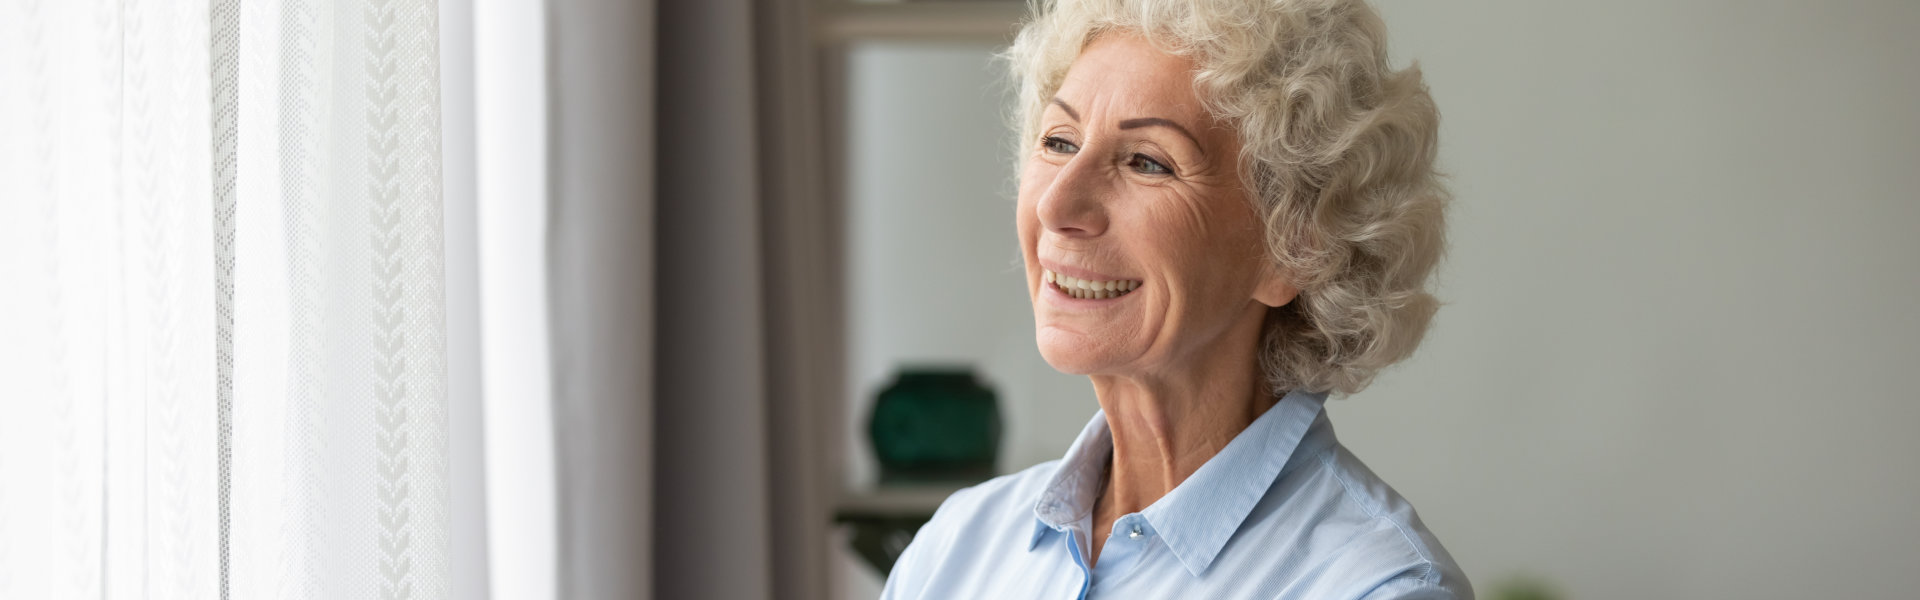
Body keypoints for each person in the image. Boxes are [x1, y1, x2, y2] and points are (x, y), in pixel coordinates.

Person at [879, 0, 1468, 597]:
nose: (1056, 206)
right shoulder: (954, 550)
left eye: (1146, 162)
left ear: (1296, 247)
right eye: (1058, 142)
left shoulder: (1380, 588)